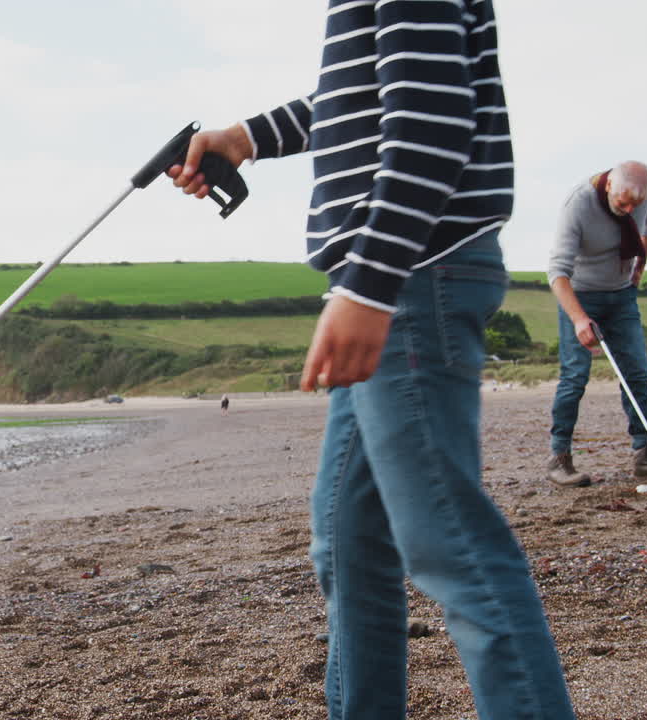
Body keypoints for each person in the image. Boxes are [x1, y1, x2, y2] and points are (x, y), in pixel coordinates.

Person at [169, 1, 575, 717]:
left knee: (447, 539)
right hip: (402, 279)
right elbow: (368, 96)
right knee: (349, 543)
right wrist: (247, 138)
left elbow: (430, 119)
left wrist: (370, 283)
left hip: (418, 275)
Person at [545, 161, 647, 488]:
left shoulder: (646, 194)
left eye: (637, 203)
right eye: (624, 203)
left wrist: (639, 267)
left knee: (636, 372)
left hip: (621, 297)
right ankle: (559, 458)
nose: (630, 209)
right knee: (575, 376)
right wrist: (579, 319)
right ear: (608, 187)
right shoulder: (577, 205)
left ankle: (646, 455)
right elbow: (556, 272)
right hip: (580, 294)